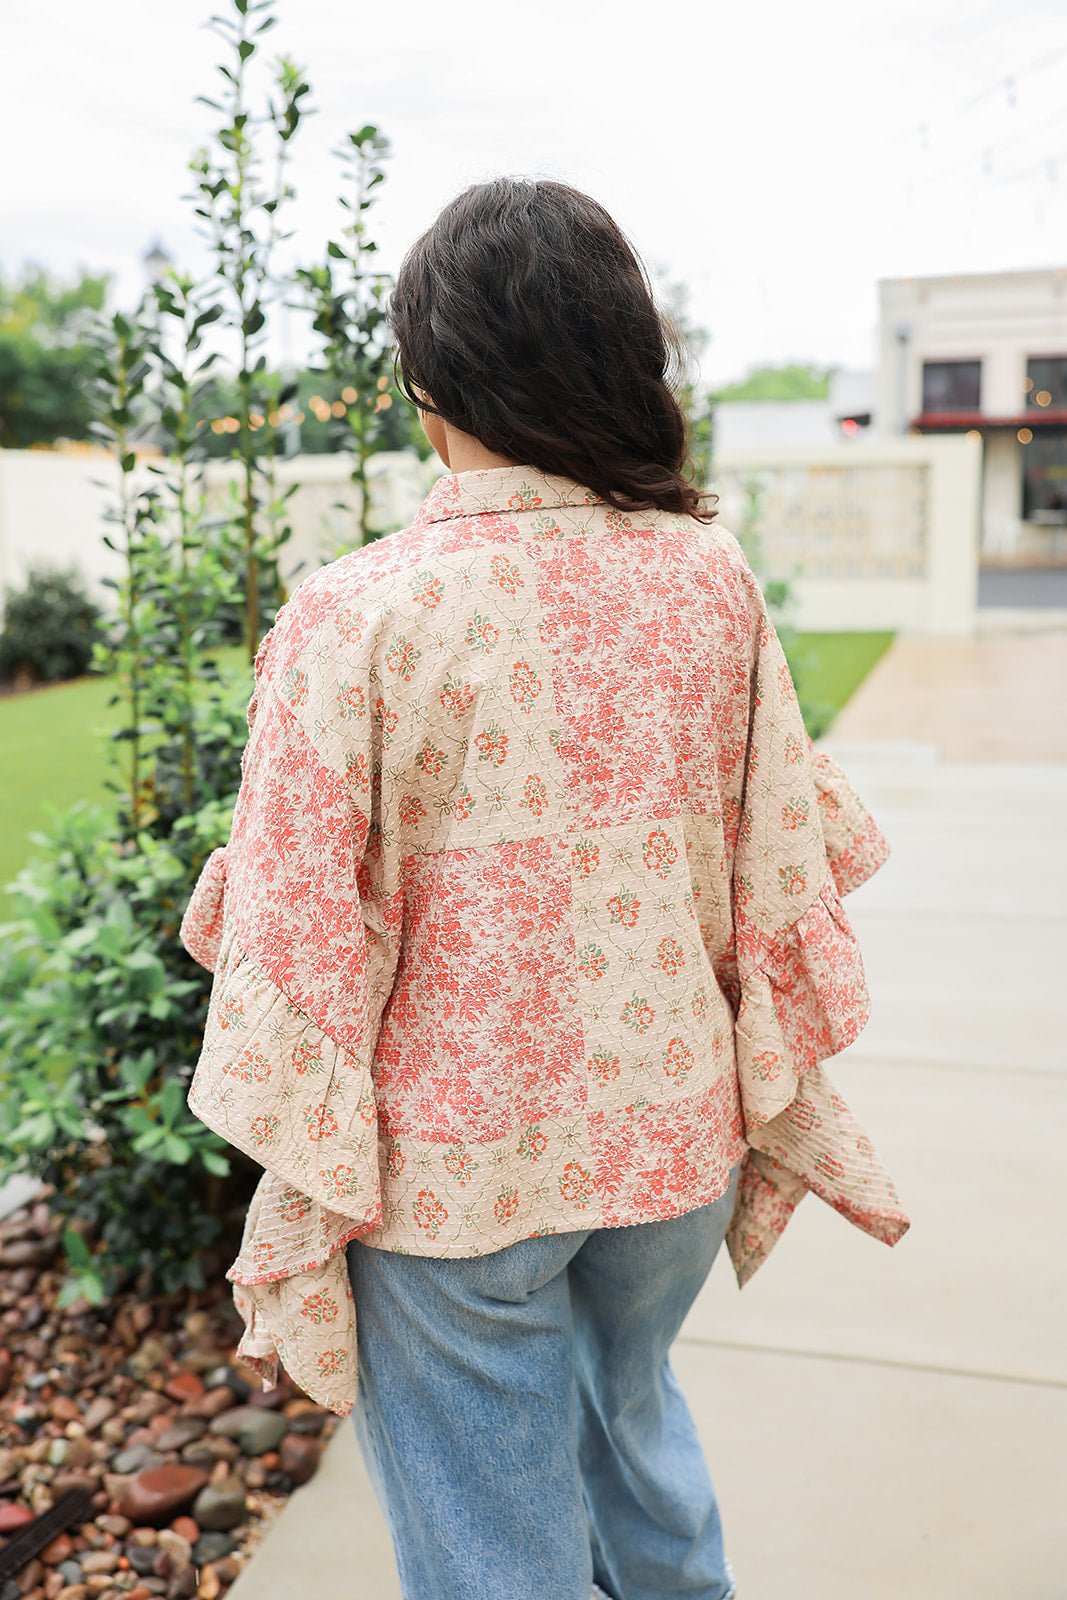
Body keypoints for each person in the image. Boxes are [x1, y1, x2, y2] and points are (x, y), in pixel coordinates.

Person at [181, 178, 909, 1600]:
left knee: (492, 1555)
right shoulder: (708, 577)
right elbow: (770, 856)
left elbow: (296, 934)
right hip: (671, 1139)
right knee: (631, 1429)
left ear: (429, 380)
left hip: (459, 1173)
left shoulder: (363, 608)